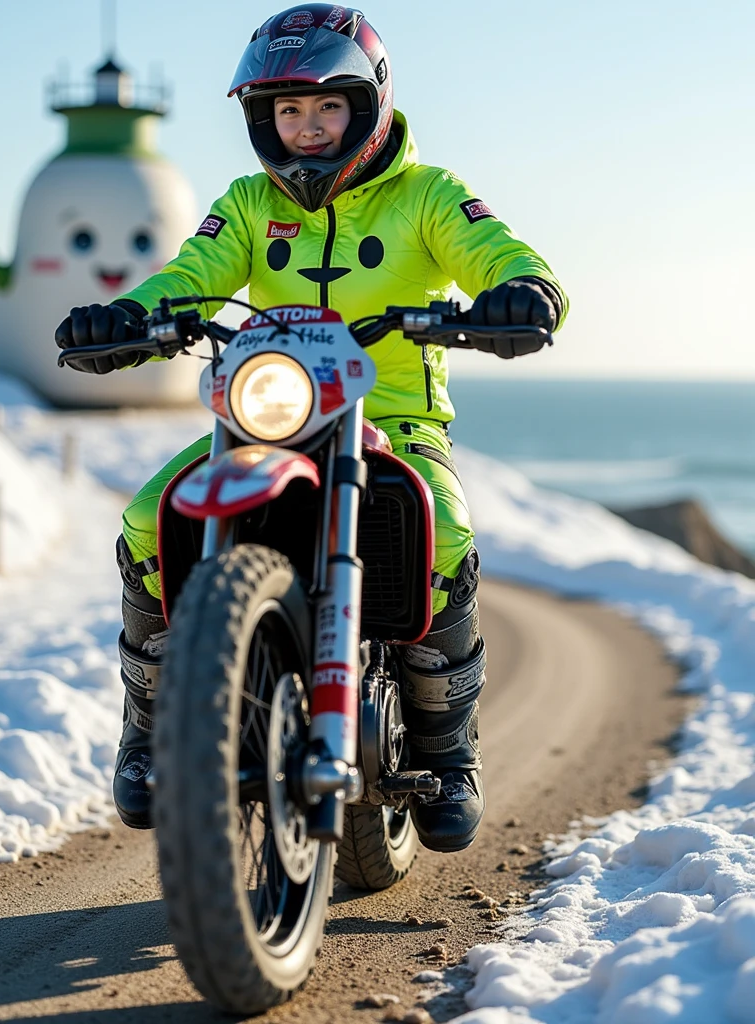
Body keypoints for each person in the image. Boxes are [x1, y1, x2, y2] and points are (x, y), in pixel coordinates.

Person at [55, 4, 568, 853]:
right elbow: (189, 279)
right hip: (268, 413)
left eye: (327, 106)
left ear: (368, 103)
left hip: (394, 418)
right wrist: (124, 319)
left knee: (444, 527)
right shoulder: (249, 204)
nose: (307, 128)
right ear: (263, 120)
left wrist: (525, 293)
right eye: (286, 111)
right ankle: (147, 732)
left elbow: (503, 254)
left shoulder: (429, 194)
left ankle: (448, 752)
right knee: (150, 518)